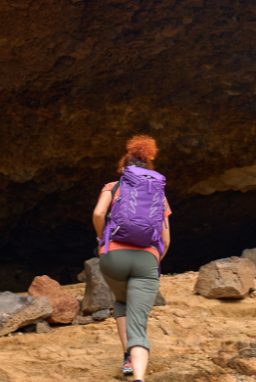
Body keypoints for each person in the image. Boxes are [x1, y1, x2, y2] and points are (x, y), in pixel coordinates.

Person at [93, 135, 171, 381]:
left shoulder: (113, 186)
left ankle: (127, 357)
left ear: (123, 168)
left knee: (121, 302)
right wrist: (155, 257)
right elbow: (166, 239)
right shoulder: (158, 193)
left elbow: (98, 213)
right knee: (138, 323)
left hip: (113, 256)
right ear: (149, 169)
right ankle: (138, 377)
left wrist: (101, 240)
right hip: (147, 258)